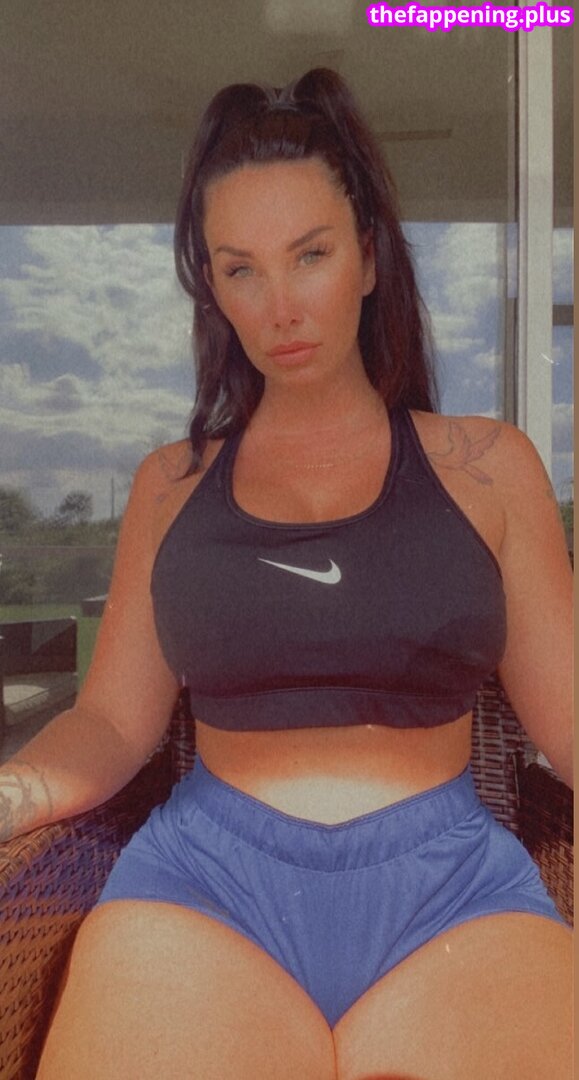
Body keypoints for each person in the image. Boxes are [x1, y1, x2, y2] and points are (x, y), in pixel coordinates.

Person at [1, 69, 572, 1079]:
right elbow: (114, 724)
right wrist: (18, 788)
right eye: (241, 269)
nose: (280, 307)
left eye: (309, 254)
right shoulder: (173, 485)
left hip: (451, 899)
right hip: (204, 894)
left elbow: (569, 721)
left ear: (367, 256)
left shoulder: (488, 467)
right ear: (213, 287)